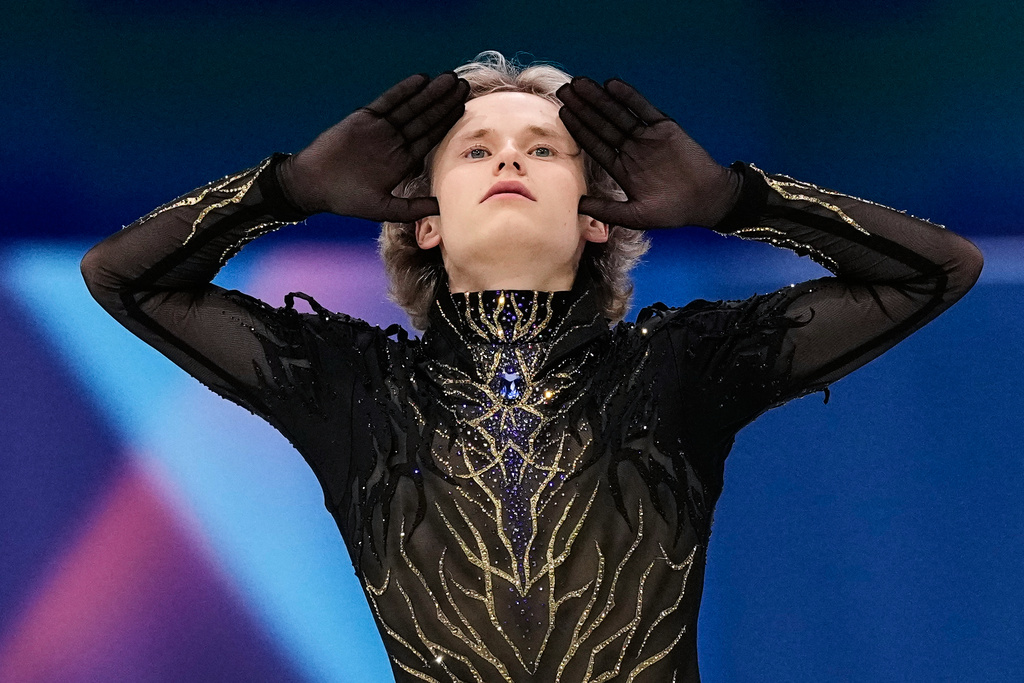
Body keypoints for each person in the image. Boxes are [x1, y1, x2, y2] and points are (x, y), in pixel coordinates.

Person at [80, 51, 983, 682]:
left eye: (544, 149)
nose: (510, 156)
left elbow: (937, 269)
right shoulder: (352, 389)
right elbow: (123, 277)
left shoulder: (679, 368)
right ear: (423, 220)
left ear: (596, 216)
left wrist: (732, 198)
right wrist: (286, 189)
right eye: (475, 150)